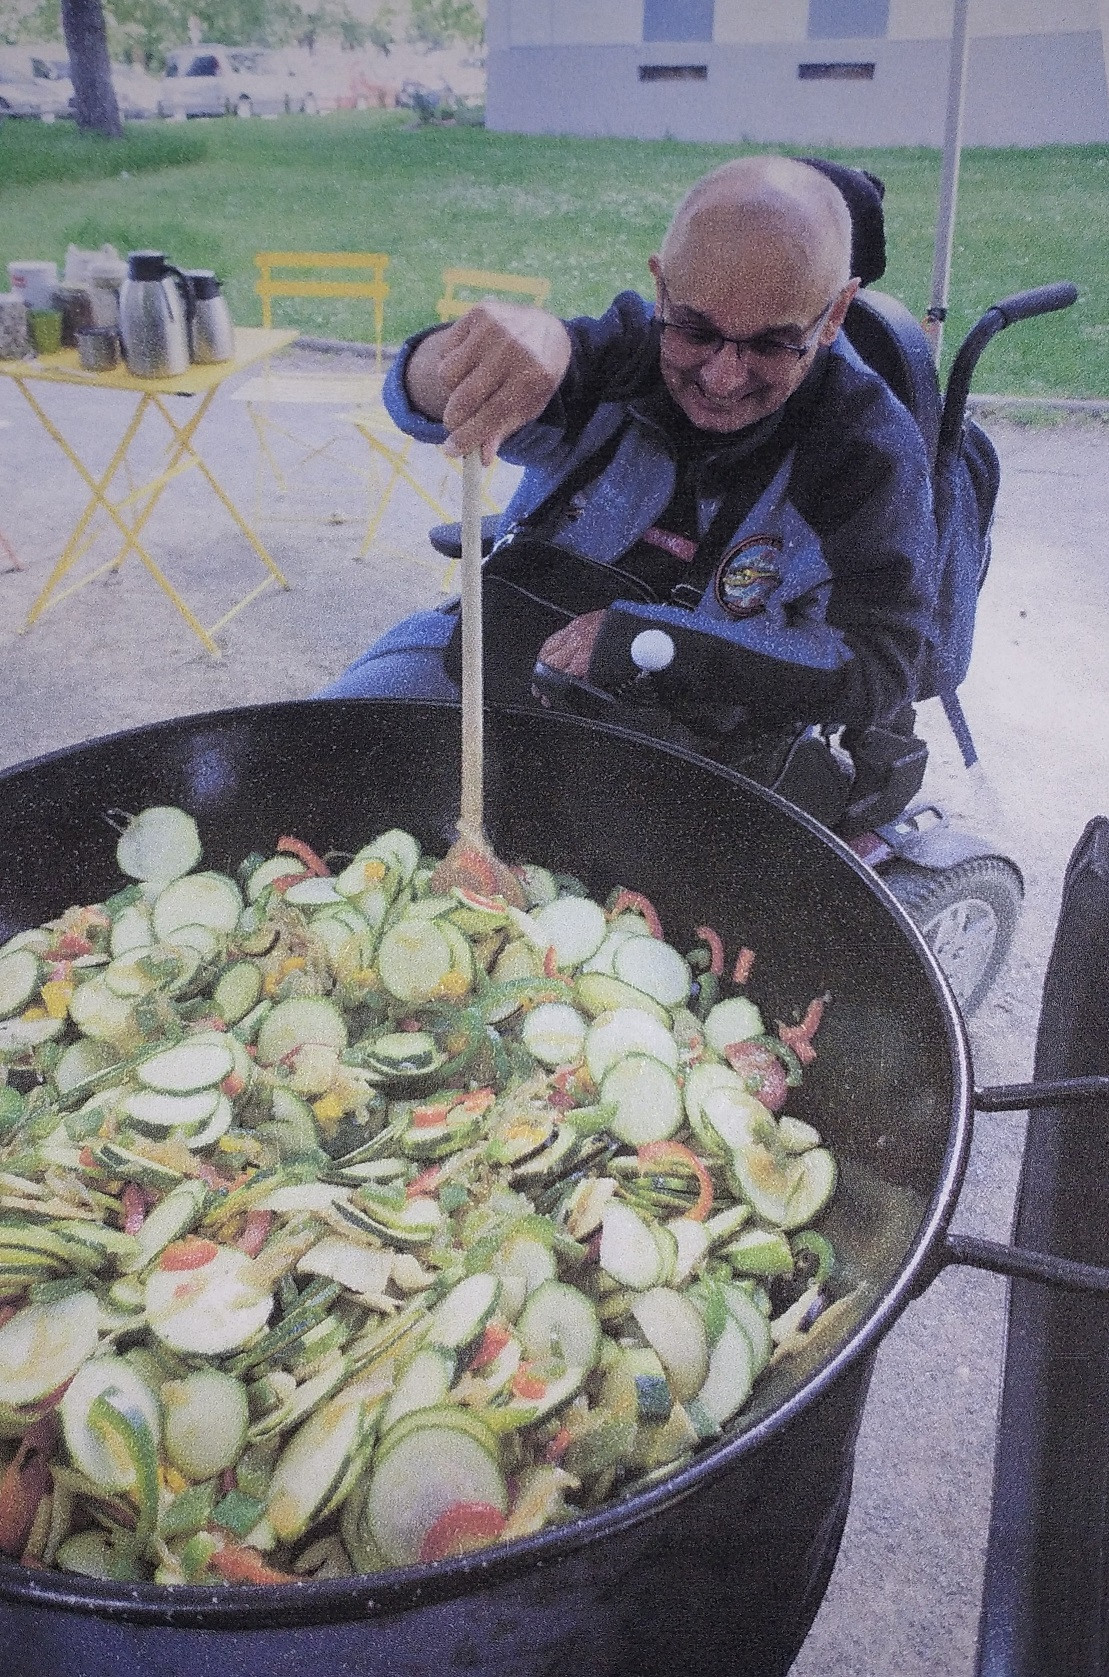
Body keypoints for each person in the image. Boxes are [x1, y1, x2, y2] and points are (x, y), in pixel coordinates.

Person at [321, 155, 937, 817]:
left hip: (699, 736)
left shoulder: (866, 453)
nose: (724, 379)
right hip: (492, 658)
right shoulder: (620, 352)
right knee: (317, 756)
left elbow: (879, 663)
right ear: (661, 286)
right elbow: (420, 398)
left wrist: (649, 644)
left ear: (836, 310)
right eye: (695, 330)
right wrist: (465, 353)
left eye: (771, 344)